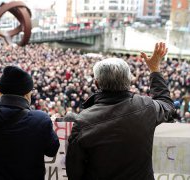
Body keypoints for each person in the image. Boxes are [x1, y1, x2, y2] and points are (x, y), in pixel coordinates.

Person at [66, 42, 175, 180]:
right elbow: (167, 105)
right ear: (129, 81)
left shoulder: (82, 122)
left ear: (97, 84)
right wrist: (154, 69)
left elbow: (74, 172)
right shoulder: (147, 107)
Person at [0, 42, 60, 180]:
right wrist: (48, 126)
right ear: (27, 94)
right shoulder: (40, 120)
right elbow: (52, 150)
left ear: (2, 91)